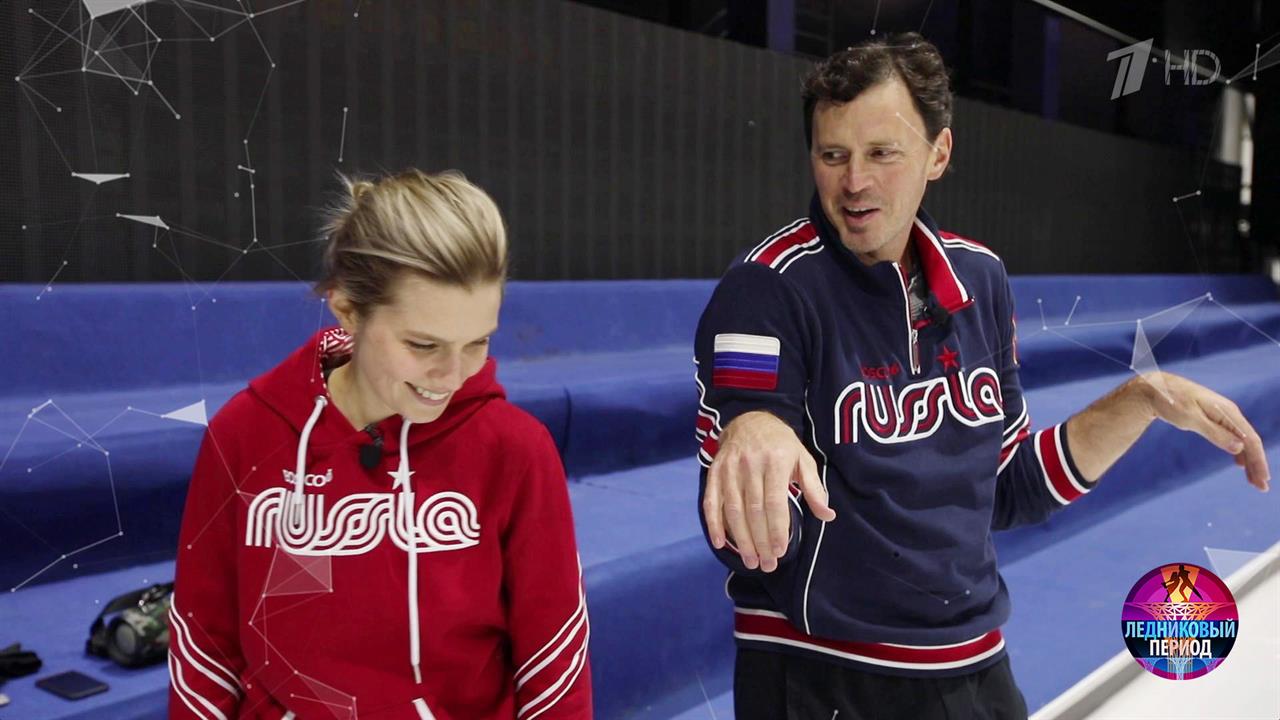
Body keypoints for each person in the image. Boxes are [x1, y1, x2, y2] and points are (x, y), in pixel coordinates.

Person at [693, 33, 1270, 719]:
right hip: (826, 676)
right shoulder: (766, 287)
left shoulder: (980, 279)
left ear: (938, 153)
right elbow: (748, 459)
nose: (854, 183)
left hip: (974, 665)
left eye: (882, 153)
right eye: (833, 155)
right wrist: (752, 432)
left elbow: (1008, 487)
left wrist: (1142, 398)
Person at [169, 169, 591, 719]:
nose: (453, 375)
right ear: (347, 309)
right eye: (423, 345)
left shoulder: (515, 449)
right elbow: (204, 641)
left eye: (477, 342)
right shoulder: (245, 434)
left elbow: (554, 656)